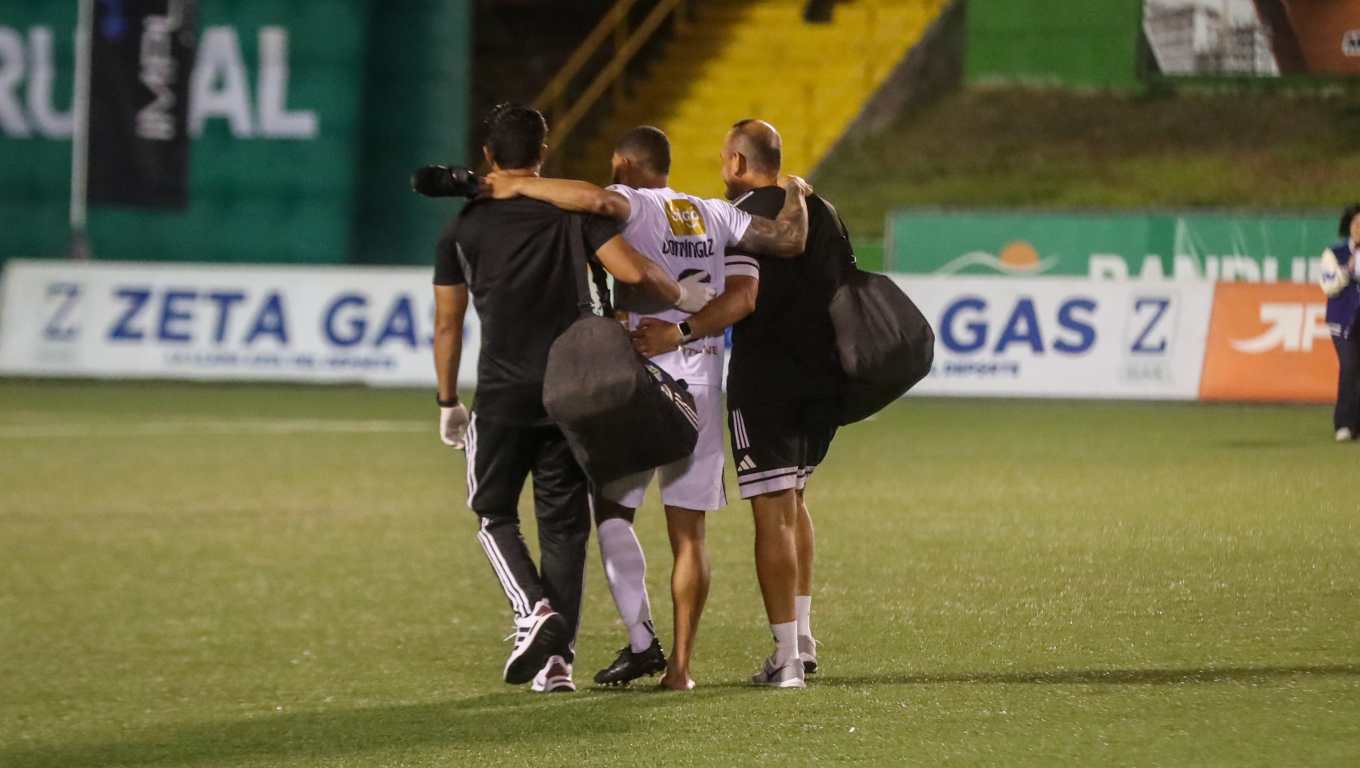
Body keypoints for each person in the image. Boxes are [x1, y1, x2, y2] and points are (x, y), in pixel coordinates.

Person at [483, 125, 811, 690]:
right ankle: (679, 669)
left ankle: (641, 637)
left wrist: (514, 185)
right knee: (690, 535)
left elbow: (593, 200)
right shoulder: (715, 212)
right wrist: (798, 194)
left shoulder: (632, 202)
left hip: (638, 378)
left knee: (612, 513)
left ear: (626, 164)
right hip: (704, 376)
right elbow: (787, 241)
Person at [432, 104, 709, 693]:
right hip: (571, 389)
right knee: (564, 528)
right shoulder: (570, 214)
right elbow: (634, 272)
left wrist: (447, 400)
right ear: (543, 153)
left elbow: (448, 325)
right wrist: (683, 296)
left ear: (488, 156)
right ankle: (559, 666)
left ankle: (535, 612)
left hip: (503, 391)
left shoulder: (464, 227)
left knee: (492, 514)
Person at [633, 119, 856, 688]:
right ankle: (801, 641)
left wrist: (680, 332)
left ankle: (786, 660)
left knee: (772, 511)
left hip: (769, 378)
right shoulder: (821, 207)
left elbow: (743, 297)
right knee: (796, 502)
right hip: (821, 377)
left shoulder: (738, 217)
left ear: (736, 161)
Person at [1320, 202, 1360, 442]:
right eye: (1357, 224)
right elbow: (1329, 285)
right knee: (1349, 368)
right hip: (1343, 321)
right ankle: (1343, 424)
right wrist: (1347, 270)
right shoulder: (1334, 253)